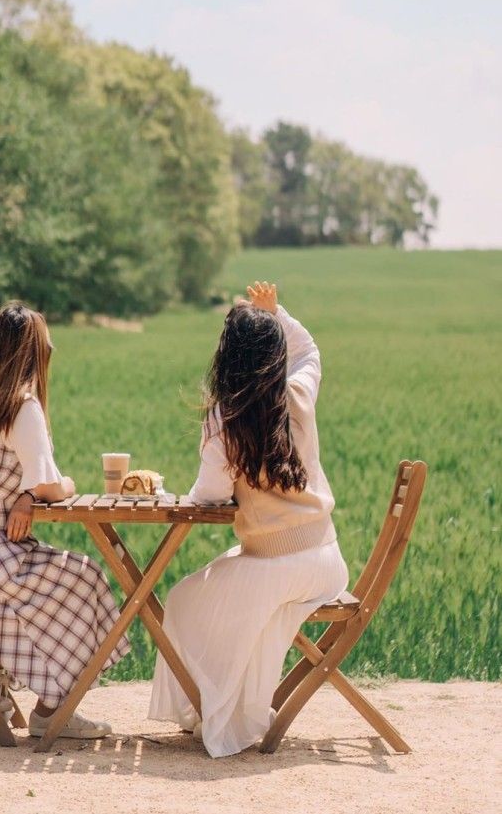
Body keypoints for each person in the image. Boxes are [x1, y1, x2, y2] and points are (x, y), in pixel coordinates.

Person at [149, 281, 349, 757]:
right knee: (217, 592)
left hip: (272, 567)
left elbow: (209, 496)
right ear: (274, 355)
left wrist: (167, 492)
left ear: (227, 358)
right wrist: (277, 314)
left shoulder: (224, 418)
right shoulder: (297, 395)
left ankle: (214, 710)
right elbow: (309, 350)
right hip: (326, 561)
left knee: (182, 600)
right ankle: (215, 707)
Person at [0, 302, 129, 740]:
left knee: (68, 580)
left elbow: (36, 483)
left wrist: (28, 493)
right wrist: (47, 487)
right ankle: (55, 708)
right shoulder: (24, 407)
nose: (51, 345)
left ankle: (6, 674)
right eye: (45, 341)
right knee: (84, 579)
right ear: (32, 351)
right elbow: (52, 485)